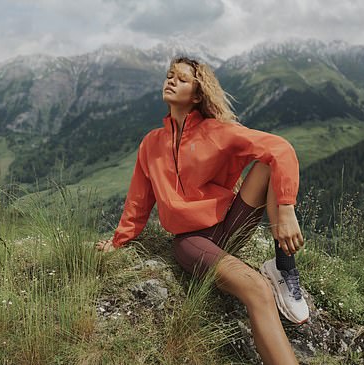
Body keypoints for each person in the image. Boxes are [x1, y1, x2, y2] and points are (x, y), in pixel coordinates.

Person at [95, 56, 308, 364]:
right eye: (169, 76)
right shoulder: (151, 144)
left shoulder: (218, 131)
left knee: (266, 165)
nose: (171, 81)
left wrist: (286, 210)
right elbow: (138, 203)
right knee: (257, 289)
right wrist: (118, 241)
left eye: (181, 79)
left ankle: (284, 265)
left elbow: (281, 149)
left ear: (197, 95)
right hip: (192, 241)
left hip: (228, 225)